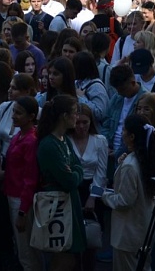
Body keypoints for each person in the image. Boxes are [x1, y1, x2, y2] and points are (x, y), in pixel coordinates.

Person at [102, 114, 155, 271]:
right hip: (144, 230)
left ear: (132, 136)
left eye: (123, 131)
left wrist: (103, 194)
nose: (121, 134)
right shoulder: (147, 159)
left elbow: (124, 201)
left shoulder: (130, 165)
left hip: (128, 235)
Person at [36, 95, 87, 269]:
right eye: (74, 113)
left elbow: (78, 167)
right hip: (59, 207)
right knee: (63, 255)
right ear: (63, 116)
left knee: (71, 257)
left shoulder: (64, 140)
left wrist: (75, 172)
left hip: (70, 203)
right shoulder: (49, 145)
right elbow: (69, 181)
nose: (77, 117)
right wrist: (75, 173)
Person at [3, 96, 42, 271]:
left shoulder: (31, 140)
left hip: (20, 200)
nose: (13, 116)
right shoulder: (19, 135)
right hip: (13, 195)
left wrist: (22, 212)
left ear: (31, 116)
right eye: (14, 111)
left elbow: (30, 178)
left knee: (27, 253)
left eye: (18, 113)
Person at [68, 103, 108, 271]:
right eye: (78, 122)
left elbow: (101, 173)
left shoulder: (100, 141)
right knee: (72, 241)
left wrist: (93, 197)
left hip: (92, 189)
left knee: (91, 240)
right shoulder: (66, 140)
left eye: (85, 122)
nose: (82, 126)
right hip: (72, 189)